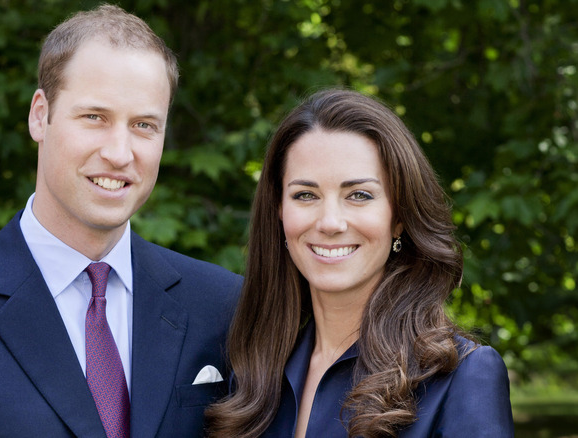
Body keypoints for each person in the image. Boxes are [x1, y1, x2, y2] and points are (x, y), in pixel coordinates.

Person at [0, 5, 241, 437]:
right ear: (41, 115)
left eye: (144, 125)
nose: (119, 152)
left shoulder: (224, 307)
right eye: (95, 117)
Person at [205, 88, 514, 437]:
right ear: (279, 212)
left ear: (399, 216)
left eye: (359, 195)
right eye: (306, 195)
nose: (330, 222)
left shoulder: (462, 376)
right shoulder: (251, 375)